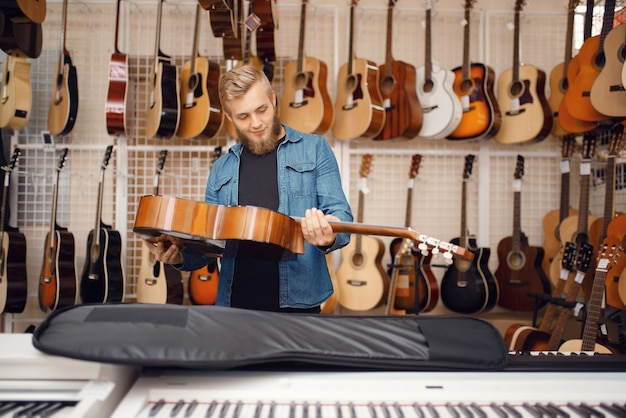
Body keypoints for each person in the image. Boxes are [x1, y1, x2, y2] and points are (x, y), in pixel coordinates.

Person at [146, 64, 353, 313]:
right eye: (243, 116)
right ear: (229, 117)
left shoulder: (315, 149)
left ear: (273, 99)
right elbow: (209, 246)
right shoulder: (221, 169)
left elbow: (342, 219)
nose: (256, 123)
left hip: (299, 306)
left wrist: (327, 235)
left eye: (262, 110)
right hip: (235, 306)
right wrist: (177, 256)